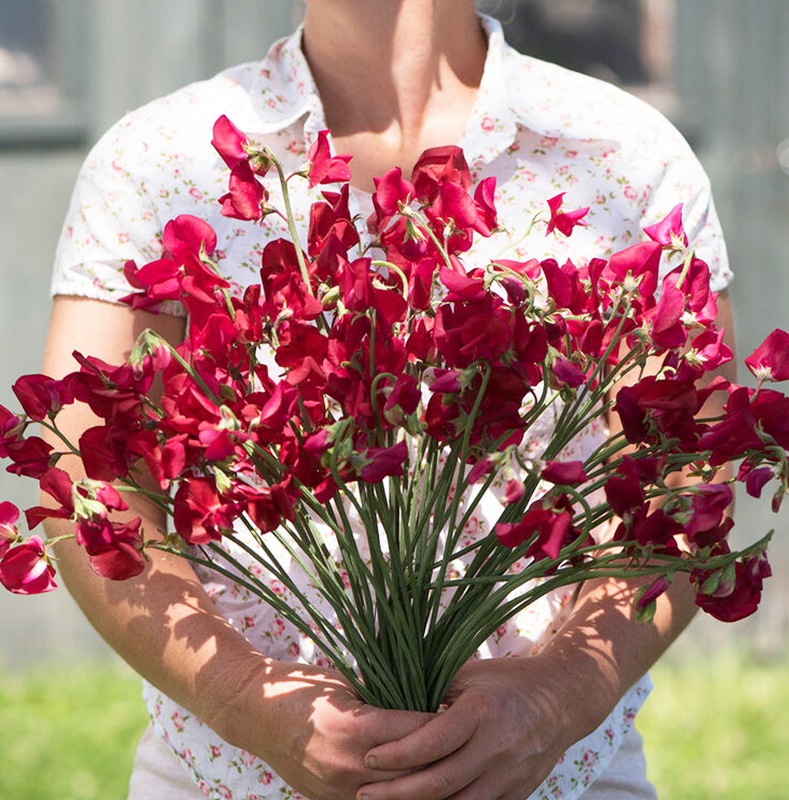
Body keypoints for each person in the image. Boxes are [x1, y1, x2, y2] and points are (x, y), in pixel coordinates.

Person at [43, 1, 735, 798]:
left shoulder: (624, 155)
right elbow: (87, 484)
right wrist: (246, 704)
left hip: (550, 776)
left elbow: (686, 481)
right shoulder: (159, 161)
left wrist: (555, 696)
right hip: (235, 777)